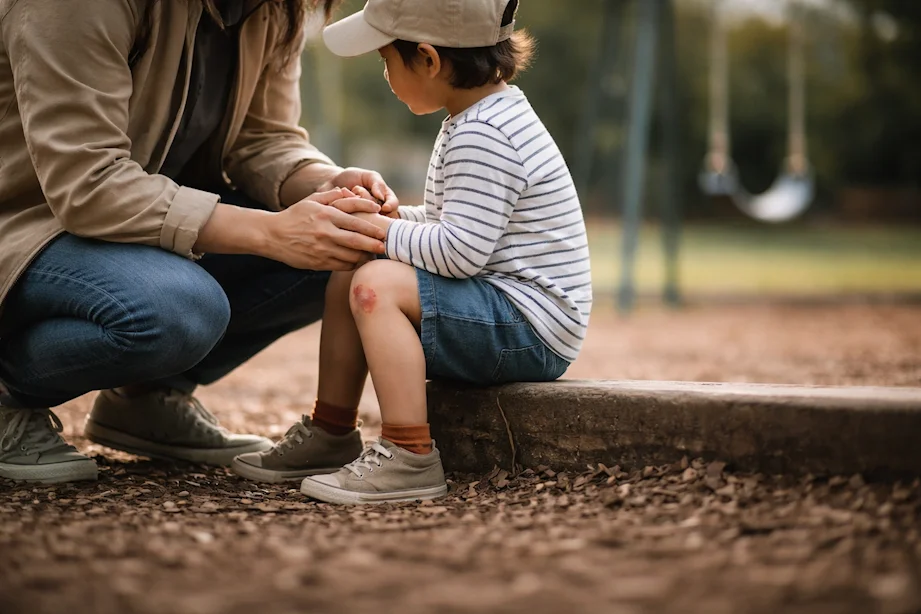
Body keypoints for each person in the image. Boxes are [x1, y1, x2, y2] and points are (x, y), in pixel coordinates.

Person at [0, 0, 399, 484]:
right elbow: (89, 184)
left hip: (131, 223)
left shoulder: (273, 7)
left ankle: (146, 400)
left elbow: (263, 138)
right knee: (178, 310)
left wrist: (329, 184)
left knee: (343, 244)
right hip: (29, 223)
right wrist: (273, 233)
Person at [231, 0, 593, 504]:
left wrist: (381, 232)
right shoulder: (477, 118)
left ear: (427, 59)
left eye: (386, 61)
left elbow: (460, 253)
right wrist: (393, 220)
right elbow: (455, 227)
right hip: (502, 306)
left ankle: (410, 455)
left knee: (374, 284)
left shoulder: (485, 134)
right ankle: (331, 431)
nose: (384, 75)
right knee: (353, 263)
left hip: (529, 329)